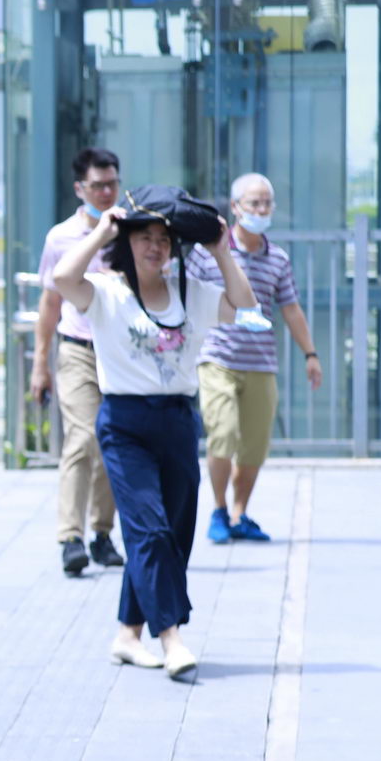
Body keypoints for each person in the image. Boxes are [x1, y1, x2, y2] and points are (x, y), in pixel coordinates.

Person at [50, 192, 257, 680]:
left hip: (178, 422)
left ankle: (127, 633)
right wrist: (104, 229)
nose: (156, 246)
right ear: (129, 242)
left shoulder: (192, 291)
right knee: (148, 529)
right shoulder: (106, 291)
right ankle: (172, 638)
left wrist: (222, 249)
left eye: (164, 239)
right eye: (145, 237)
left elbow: (244, 305)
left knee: (175, 534)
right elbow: (63, 279)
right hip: (124, 424)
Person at [185, 173, 323, 543]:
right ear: (235, 208)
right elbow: (182, 298)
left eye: (267, 204)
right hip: (217, 358)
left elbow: (291, 309)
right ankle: (217, 508)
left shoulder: (277, 258)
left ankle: (239, 511)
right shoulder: (206, 253)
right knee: (223, 433)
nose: (261, 210)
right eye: (254, 203)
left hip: (261, 362)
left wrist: (310, 353)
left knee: (255, 445)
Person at [32, 147, 126, 578]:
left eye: (112, 184)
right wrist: (40, 363)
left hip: (121, 352)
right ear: (80, 189)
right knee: (83, 438)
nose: (107, 192)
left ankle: (102, 533)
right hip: (77, 351)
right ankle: (70, 536)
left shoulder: (132, 230)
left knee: (112, 442)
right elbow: (50, 302)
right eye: (98, 185)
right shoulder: (61, 237)